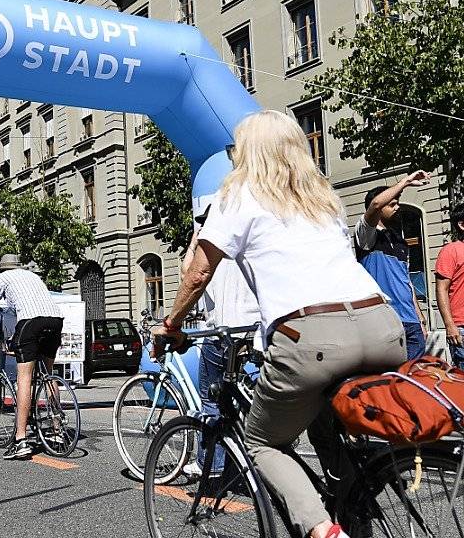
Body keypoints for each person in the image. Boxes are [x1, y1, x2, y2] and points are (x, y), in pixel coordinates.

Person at [153, 110, 405, 538]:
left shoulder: (239, 194)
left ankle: (323, 530)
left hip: (313, 337)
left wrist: (170, 324)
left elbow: (197, 272)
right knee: (326, 425)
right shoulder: (323, 196)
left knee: (262, 441)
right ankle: (356, 511)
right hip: (383, 325)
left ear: (246, 152)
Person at [181, 200, 262, 476]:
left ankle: (210, 464)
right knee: (247, 396)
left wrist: (194, 242)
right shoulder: (248, 242)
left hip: (223, 333)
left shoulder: (210, 249)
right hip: (254, 329)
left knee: (211, 399)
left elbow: (189, 274)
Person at [0, 254, 63, 460]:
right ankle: (57, 429)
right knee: (48, 375)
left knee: (24, 378)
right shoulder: (33, 276)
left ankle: (21, 439)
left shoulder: (2, 278)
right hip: (55, 320)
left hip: (31, 322)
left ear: (2, 269)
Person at [354, 172, 431, 359]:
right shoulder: (366, 237)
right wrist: (404, 182)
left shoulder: (401, 243)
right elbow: (375, 204)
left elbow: (407, 282)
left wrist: (420, 317)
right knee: (390, 380)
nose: (397, 207)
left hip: (411, 322)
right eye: (392, 204)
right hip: (385, 320)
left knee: (413, 380)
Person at [436, 204, 464, 367]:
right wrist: (449, 325)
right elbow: (441, 289)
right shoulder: (450, 250)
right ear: (461, 224)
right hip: (461, 327)